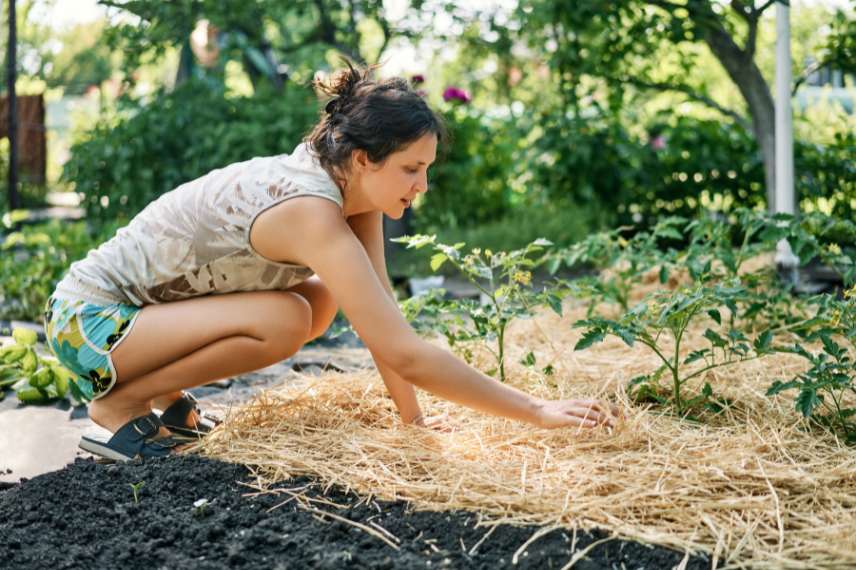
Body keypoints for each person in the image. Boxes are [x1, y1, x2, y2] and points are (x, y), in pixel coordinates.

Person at [43, 62, 618, 462]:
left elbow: (382, 318)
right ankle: (120, 404)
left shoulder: (350, 192)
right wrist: (537, 410)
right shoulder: (310, 208)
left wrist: (413, 421)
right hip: (88, 324)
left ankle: (165, 401)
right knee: (288, 319)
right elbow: (403, 352)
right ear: (365, 158)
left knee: (318, 301)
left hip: (139, 320)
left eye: (428, 169)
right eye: (412, 169)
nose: (423, 185)